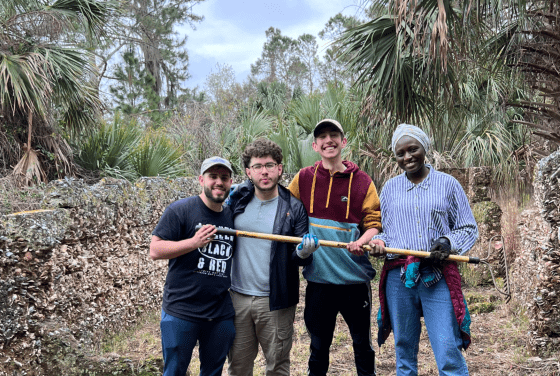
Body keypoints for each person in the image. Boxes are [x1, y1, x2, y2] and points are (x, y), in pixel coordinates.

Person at [368, 123, 478, 376]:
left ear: (424, 148)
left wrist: (448, 242)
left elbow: (468, 227)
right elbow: (387, 231)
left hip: (435, 275)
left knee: (447, 347)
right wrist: (380, 244)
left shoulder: (448, 185)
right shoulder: (390, 189)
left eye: (412, 149)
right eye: (400, 153)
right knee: (404, 347)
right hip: (399, 276)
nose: (407, 157)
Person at [288, 119, 382, 376]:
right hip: (319, 281)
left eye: (334, 135)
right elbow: (286, 212)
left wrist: (363, 240)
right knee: (318, 348)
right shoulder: (303, 178)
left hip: (354, 280)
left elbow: (373, 222)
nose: (328, 140)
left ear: (344, 142)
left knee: (362, 345)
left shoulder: (362, 181)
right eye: (322, 137)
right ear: (315, 146)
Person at [226, 138, 319, 376]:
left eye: (269, 165)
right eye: (257, 166)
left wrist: (303, 251)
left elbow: (299, 258)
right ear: (248, 172)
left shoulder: (294, 207)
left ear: (279, 168)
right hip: (238, 298)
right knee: (237, 366)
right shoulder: (237, 200)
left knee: (277, 366)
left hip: (276, 301)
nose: (264, 171)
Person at [150, 156, 237, 376]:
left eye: (224, 178)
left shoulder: (232, 217)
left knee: (213, 372)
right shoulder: (180, 210)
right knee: (174, 371)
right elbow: (155, 250)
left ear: (230, 182)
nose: (219, 182)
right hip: (180, 311)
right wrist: (193, 243)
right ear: (201, 179)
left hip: (219, 313)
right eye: (213, 177)